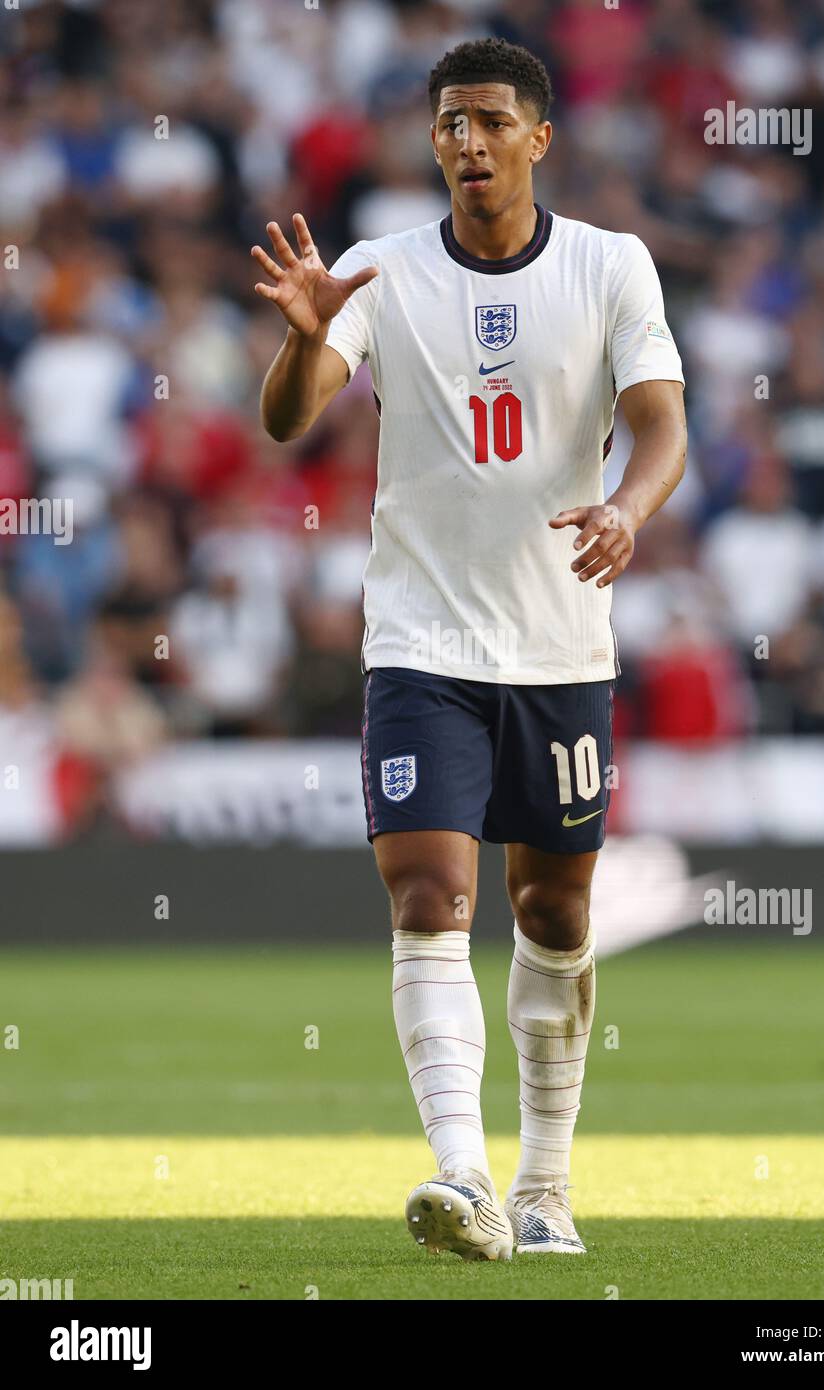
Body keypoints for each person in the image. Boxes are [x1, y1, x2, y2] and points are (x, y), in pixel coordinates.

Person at [255, 37, 686, 1261]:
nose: (466, 142)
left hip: (558, 646)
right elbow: (287, 419)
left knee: (551, 911)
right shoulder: (377, 270)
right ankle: (465, 1176)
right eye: (449, 123)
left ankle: (547, 1186)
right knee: (427, 894)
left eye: (491, 120)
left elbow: (660, 424)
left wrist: (624, 508)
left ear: (537, 139)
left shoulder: (610, 266)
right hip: (420, 639)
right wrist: (300, 336)